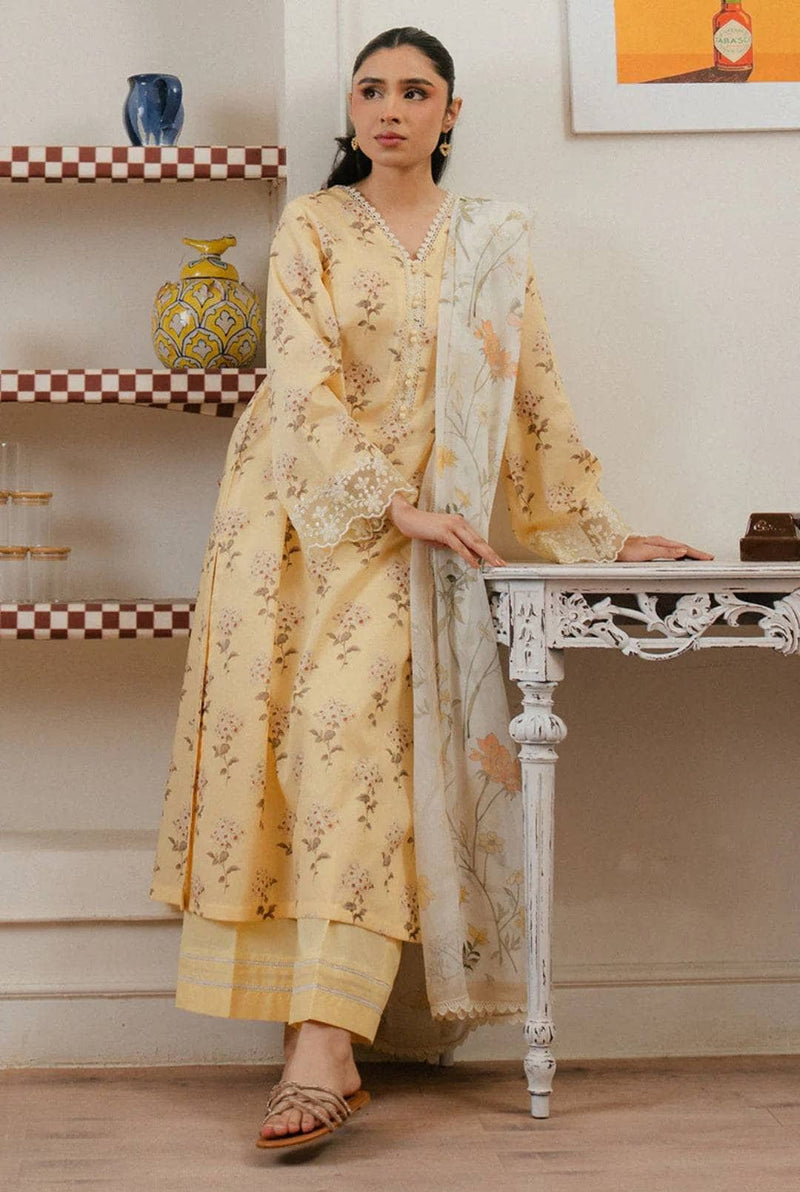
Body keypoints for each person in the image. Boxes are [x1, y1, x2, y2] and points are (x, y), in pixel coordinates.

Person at [148, 26, 713, 1149]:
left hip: (428, 535)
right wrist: (384, 501)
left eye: (415, 92)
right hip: (298, 527)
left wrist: (596, 533)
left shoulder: (491, 239)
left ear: (450, 114)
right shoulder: (311, 226)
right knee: (307, 754)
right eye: (371, 90)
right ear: (351, 110)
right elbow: (300, 383)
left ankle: (324, 1045)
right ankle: (315, 1036)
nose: (390, 109)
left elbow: (533, 395)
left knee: (349, 746)